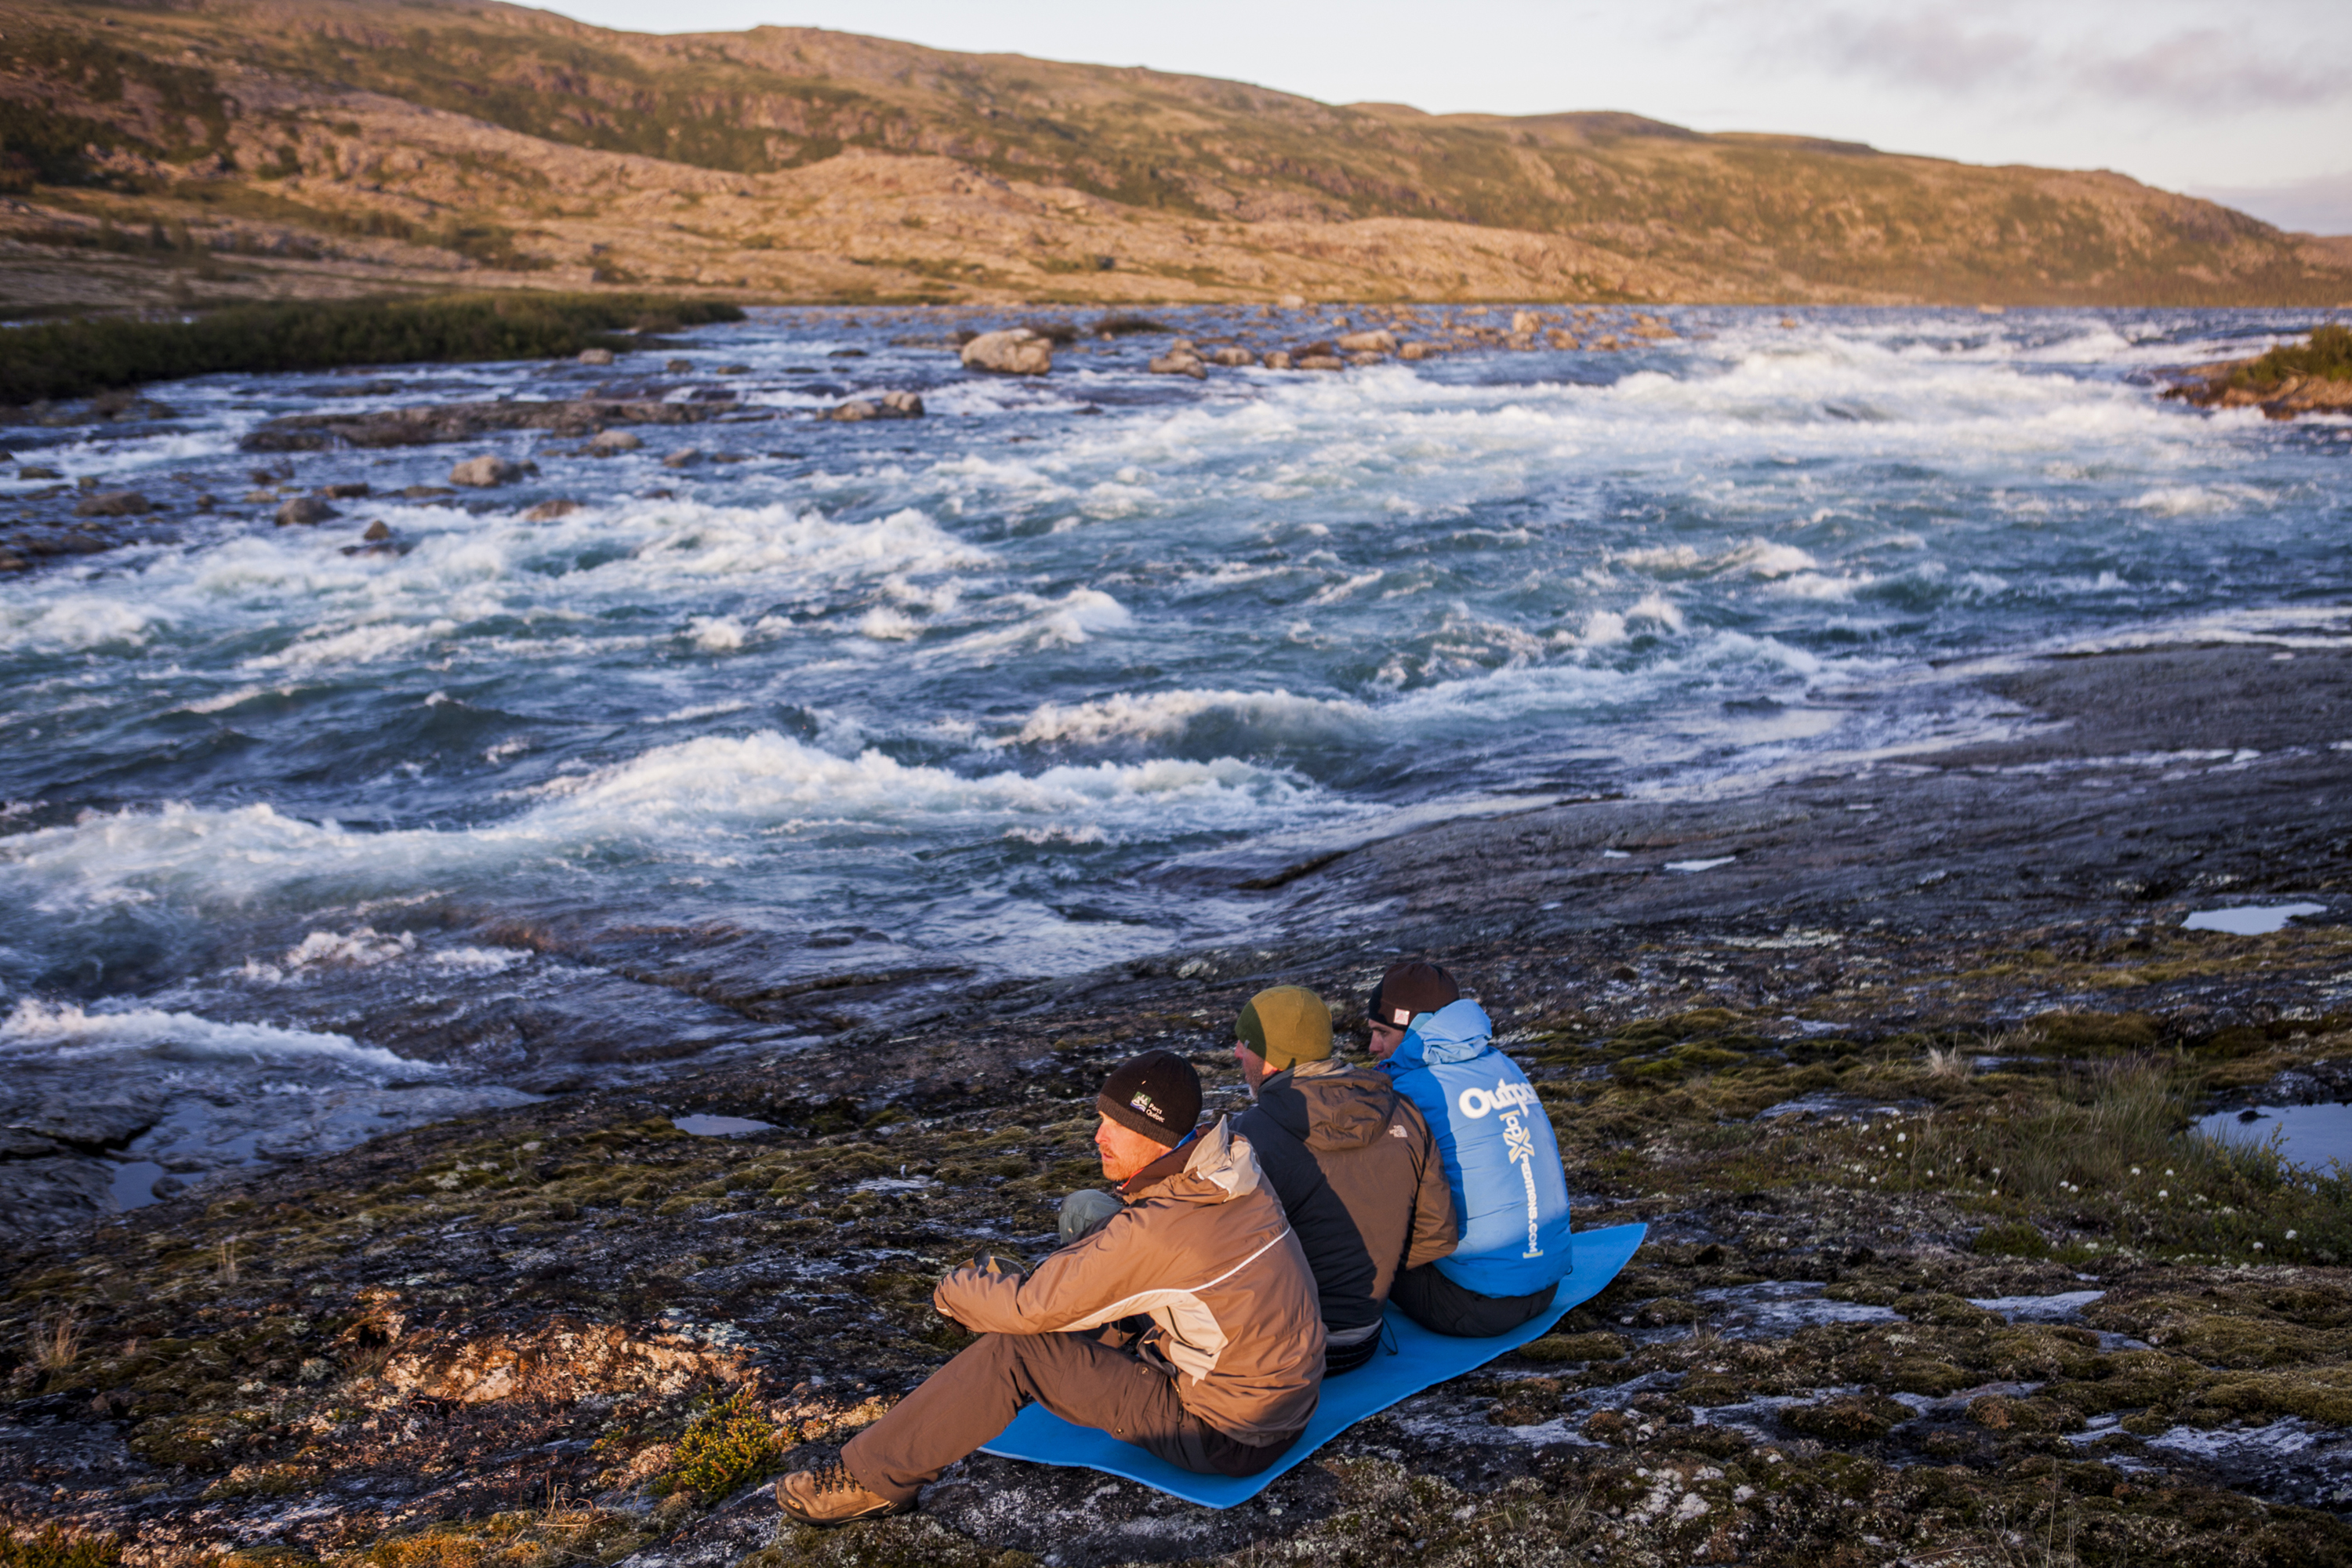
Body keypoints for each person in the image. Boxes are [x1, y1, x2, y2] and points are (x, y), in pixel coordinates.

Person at [773, 1048, 1325, 1523]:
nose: (1098, 1135)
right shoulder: (1228, 1167)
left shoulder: (1164, 1230)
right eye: (1099, 1118)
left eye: (1117, 1126)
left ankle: (873, 1479)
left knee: (1018, 1349)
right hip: (1286, 1399)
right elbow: (1132, 1252)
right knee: (1090, 1225)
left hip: (1229, 1432)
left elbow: (1029, 1310)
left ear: (1157, 1136)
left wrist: (954, 1290)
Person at [1229, 984, 1456, 1372]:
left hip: (1291, 1351)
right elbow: (1436, 1237)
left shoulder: (1249, 1136)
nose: (1236, 1052)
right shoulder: (1402, 1110)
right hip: (1365, 1339)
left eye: (1244, 1042)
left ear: (1272, 1060)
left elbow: (1223, 1260)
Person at [1368, 960, 1575, 1337]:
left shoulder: (1407, 1089)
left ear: (1416, 1028)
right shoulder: (1504, 1065)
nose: (1373, 1046)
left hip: (1474, 1305)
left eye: (1382, 1032)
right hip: (1548, 1285)